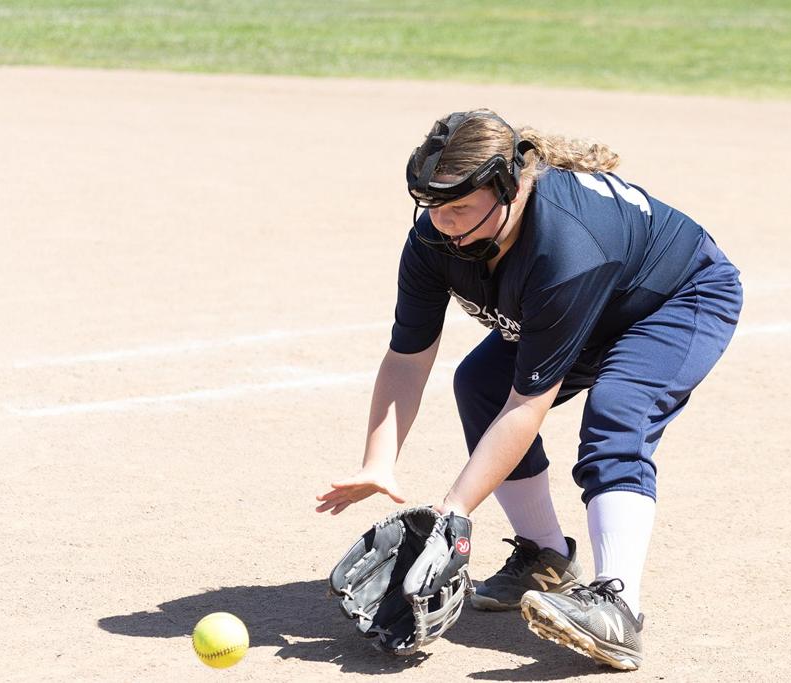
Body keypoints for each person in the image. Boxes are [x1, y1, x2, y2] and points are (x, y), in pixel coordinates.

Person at [316, 109, 743, 671]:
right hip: (584, 304)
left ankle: (618, 607)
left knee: (617, 414)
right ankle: (545, 557)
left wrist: (453, 514)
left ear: (511, 190)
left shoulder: (567, 248)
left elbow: (528, 405)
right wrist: (379, 461)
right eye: (432, 205)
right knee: (480, 383)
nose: (442, 221)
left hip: (673, 300)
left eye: (459, 207)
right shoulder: (435, 238)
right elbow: (407, 357)